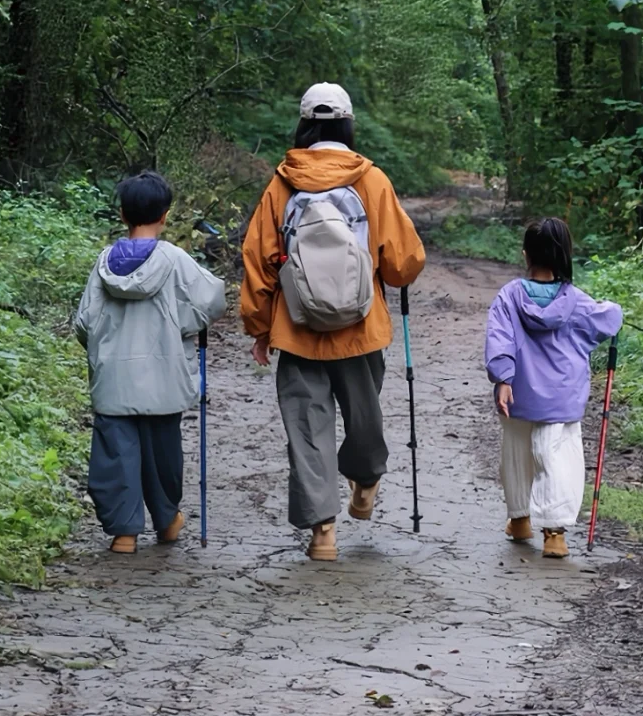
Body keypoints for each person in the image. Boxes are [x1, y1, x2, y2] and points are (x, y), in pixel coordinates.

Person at [241, 82, 425, 560]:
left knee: (306, 429)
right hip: (360, 327)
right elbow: (402, 263)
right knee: (365, 418)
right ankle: (365, 480)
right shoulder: (371, 179)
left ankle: (323, 533)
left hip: (296, 329)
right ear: (347, 124)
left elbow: (258, 262)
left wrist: (261, 328)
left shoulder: (282, 183)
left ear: (304, 124)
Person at [74, 169, 226, 554]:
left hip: (113, 377)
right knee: (163, 453)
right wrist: (183, 327)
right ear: (165, 215)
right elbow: (210, 302)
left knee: (116, 455)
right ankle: (167, 520)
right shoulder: (174, 259)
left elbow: (84, 322)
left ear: (123, 215)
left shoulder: (104, 262)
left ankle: (124, 534)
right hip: (164, 375)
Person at [484, 216, 622, 558]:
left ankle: (520, 520)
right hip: (562, 395)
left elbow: (499, 338)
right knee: (557, 456)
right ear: (564, 255)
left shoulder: (509, 296)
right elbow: (607, 319)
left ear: (525, 254)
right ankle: (555, 533)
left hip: (519, 392)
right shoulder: (574, 299)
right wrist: (616, 310)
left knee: (516, 452)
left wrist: (504, 377)